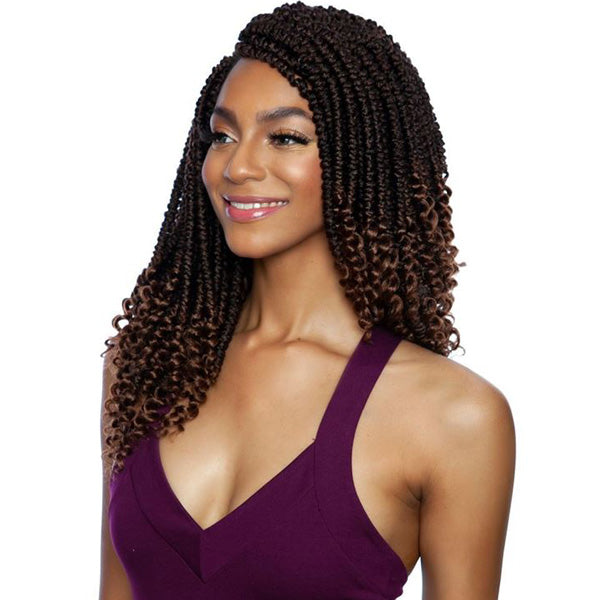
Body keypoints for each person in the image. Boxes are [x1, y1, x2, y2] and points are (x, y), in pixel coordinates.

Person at [99, 2, 515, 598]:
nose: (239, 166)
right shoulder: (144, 363)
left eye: (286, 137)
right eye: (222, 135)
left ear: (363, 161)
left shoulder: (453, 417)